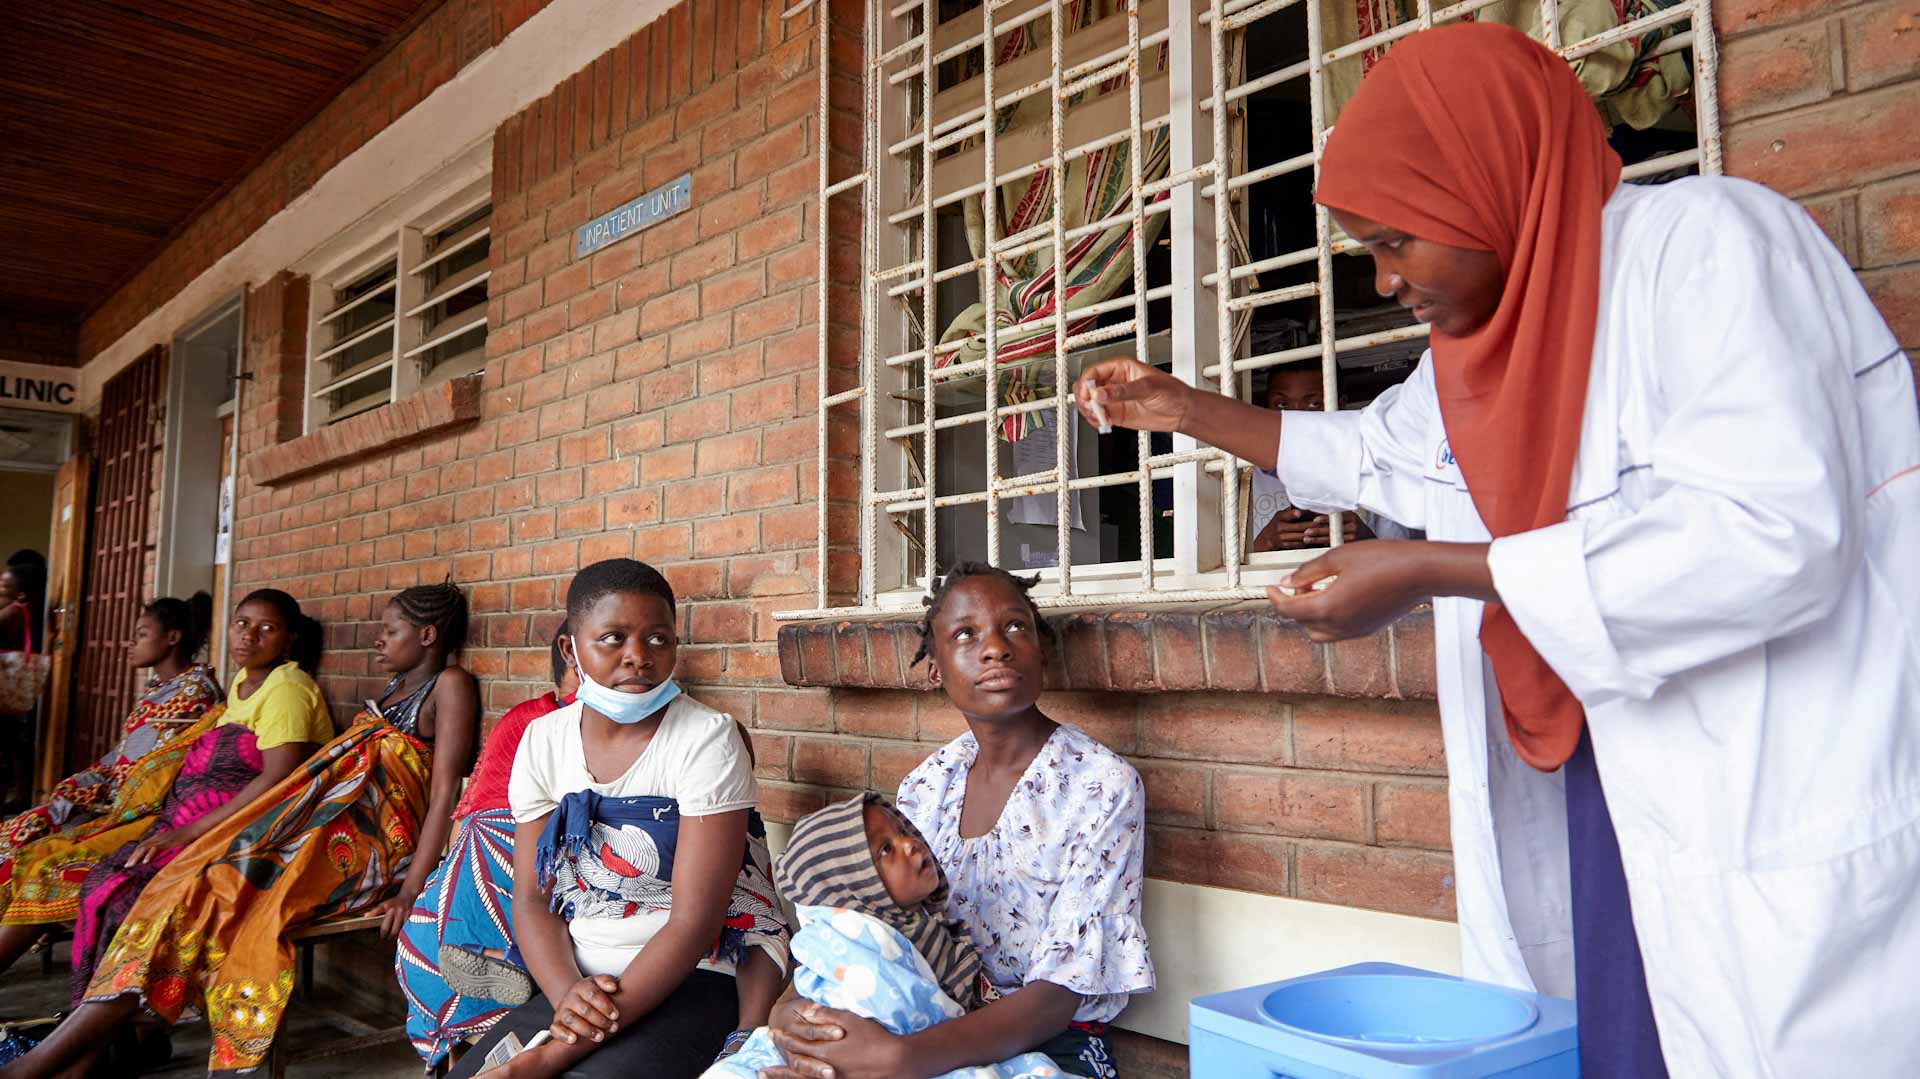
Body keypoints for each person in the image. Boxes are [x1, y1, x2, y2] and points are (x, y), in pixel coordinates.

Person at [1073, 23, 1920, 1076]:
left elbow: (1772, 534)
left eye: (1395, 241)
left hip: (1758, 782)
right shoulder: (1477, 355)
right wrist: (1183, 408)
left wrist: (1440, 569)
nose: (1382, 281)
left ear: (1486, 184)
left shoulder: (1707, 249)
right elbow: (1374, 455)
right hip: (1600, 780)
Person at [2, 584, 477, 1079]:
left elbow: (444, 793)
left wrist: (412, 889)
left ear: (426, 635)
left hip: (367, 845)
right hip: (321, 823)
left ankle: (47, 1063)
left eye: (390, 631)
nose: (378, 640)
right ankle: (76, 1055)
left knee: (224, 887)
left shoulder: (450, 685)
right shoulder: (391, 691)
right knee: (190, 884)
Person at [765, 563, 1153, 1079]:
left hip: (1049, 1038)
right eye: (966, 634)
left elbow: (1061, 994)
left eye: (1016, 627)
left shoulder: (1101, 785)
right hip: (918, 1014)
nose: (996, 647)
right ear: (936, 669)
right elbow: (862, 922)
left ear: (1042, 652)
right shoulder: (927, 786)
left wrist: (901, 1060)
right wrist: (791, 1012)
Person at [450, 559, 789, 1079]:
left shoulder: (706, 738)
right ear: (571, 649)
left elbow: (693, 923)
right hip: (583, 979)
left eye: (658, 640)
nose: (638, 657)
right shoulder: (543, 740)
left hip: (693, 976)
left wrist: (560, 1048)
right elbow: (533, 900)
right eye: (613, 638)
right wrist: (570, 999)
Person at [709, 794, 1059, 1079]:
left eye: (902, 833)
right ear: (856, 884)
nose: (910, 843)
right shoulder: (856, 939)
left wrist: (902, 1054)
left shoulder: (924, 931)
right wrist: (791, 1020)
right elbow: (852, 994)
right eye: (885, 850)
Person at [0, 593, 225, 973]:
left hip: (139, 812)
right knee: (14, 832)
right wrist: (78, 785)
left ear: (171, 638)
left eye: (141, 634)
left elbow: (153, 770)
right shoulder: (160, 690)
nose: (130, 644)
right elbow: (123, 756)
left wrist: (90, 792)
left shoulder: (194, 693)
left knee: (34, 847)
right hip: (110, 798)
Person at [398, 625, 579, 1068]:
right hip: (499, 845)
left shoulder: (625, 724)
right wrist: (441, 881)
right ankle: (470, 1049)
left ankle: (503, 965)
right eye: (611, 640)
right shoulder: (529, 719)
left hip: (556, 849)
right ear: (572, 653)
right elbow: (473, 808)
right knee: (427, 932)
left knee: (511, 844)